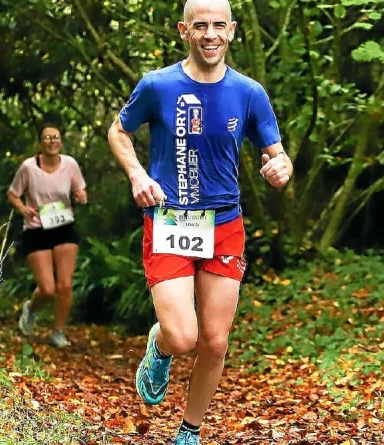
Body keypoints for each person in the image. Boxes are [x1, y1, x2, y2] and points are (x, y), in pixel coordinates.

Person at [107, 0, 293, 443]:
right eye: (200, 26)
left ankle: (189, 431)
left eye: (218, 26)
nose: (210, 35)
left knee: (214, 340)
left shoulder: (250, 92)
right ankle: (161, 345)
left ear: (232, 31)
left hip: (224, 224)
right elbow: (118, 131)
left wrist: (280, 167)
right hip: (170, 221)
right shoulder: (157, 85)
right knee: (183, 335)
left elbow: (277, 153)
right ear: (184, 31)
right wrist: (137, 173)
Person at [8, 124, 88, 348]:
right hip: (36, 227)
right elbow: (13, 194)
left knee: (65, 285)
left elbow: (81, 191)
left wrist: (81, 195)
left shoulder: (70, 164)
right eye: (47, 138)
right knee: (47, 288)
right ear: (40, 143)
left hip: (64, 225)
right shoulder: (28, 167)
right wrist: (23, 209)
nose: (52, 141)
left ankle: (57, 331)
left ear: (60, 141)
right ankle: (31, 309)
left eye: (56, 137)